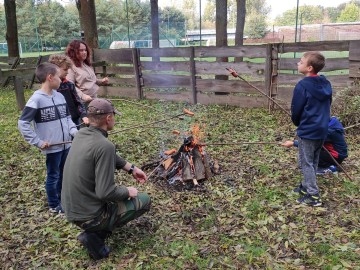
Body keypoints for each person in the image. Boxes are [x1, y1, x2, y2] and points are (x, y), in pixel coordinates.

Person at [61, 98, 151, 260]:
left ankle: (95, 230)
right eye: (114, 116)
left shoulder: (81, 134)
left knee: (119, 197)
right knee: (144, 200)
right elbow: (105, 192)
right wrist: (127, 191)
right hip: (88, 216)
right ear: (108, 118)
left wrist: (131, 168)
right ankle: (95, 237)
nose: (114, 119)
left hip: (71, 209)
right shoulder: (105, 146)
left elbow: (109, 155)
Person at [18, 62, 78, 214]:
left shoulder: (60, 97)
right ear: (50, 78)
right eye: (58, 77)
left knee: (65, 173)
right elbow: (23, 123)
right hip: (52, 147)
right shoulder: (36, 100)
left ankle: (63, 199)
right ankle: (53, 205)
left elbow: (67, 118)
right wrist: (38, 142)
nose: (61, 79)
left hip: (66, 145)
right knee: (53, 175)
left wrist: (73, 132)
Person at [288, 51, 332, 207]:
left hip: (308, 130)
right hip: (322, 128)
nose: (298, 63)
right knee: (313, 160)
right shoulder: (326, 83)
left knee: (305, 162)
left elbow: (297, 108)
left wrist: (297, 122)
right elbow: (328, 105)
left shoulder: (302, 85)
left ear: (309, 68)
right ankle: (306, 186)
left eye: (301, 62)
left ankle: (313, 196)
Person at [282, 116, 348, 175]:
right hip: (334, 153)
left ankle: (330, 168)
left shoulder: (328, 131)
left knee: (307, 155)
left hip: (335, 156)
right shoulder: (329, 123)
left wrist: (293, 143)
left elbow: (311, 142)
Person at [49, 54, 89, 127]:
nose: (67, 72)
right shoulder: (50, 88)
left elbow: (78, 102)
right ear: (55, 69)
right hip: (58, 122)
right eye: (65, 69)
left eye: (68, 69)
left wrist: (84, 115)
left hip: (74, 120)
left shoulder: (69, 85)